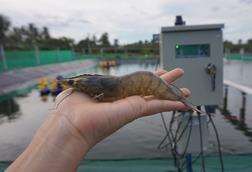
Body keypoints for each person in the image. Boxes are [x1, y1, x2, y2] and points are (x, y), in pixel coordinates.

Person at [6, 68, 191, 172]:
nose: (71, 85)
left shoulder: (101, 87)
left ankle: (179, 98)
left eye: (73, 84)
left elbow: (101, 87)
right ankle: (180, 98)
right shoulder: (98, 84)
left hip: (139, 83)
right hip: (131, 83)